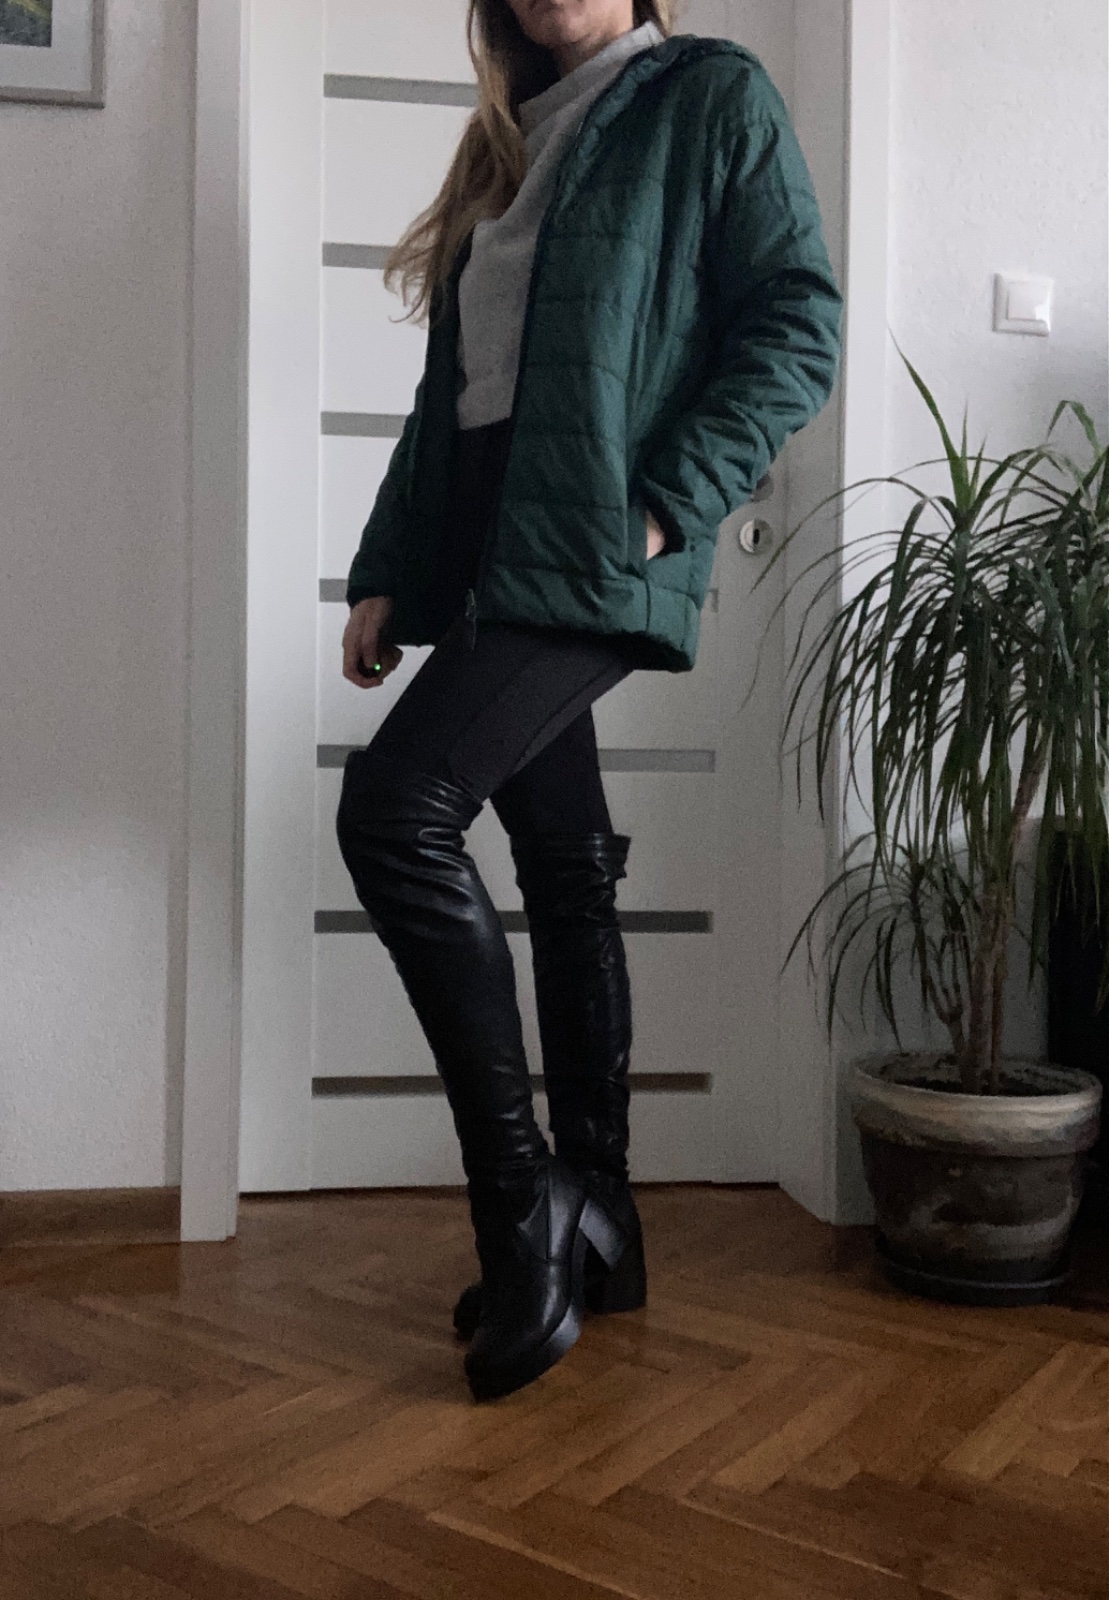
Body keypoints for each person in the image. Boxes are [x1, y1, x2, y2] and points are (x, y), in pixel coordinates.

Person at [336, 0, 843, 1403]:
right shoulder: (505, 142)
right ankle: (602, 1215)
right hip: (488, 543)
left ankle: (526, 1216)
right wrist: (389, 570)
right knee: (563, 869)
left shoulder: (706, 95)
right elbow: (453, 395)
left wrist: (671, 503)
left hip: (592, 541)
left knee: (395, 811)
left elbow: (797, 323)